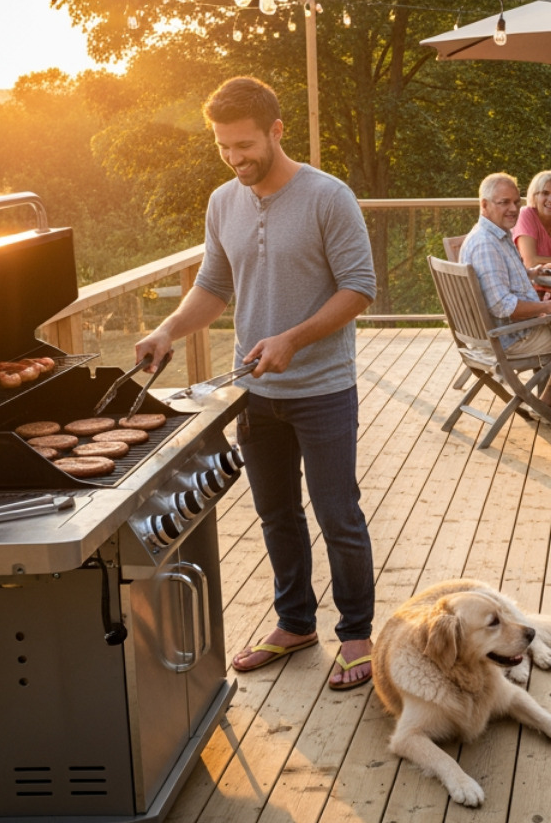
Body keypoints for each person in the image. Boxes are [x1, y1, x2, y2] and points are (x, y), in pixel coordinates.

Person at [135, 76, 379, 691]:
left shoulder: (329, 197)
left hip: (322, 389)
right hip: (256, 392)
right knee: (275, 514)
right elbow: (213, 288)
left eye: (244, 145)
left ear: (275, 130)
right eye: (223, 148)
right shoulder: (223, 202)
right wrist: (167, 330)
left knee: (337, 513)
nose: (235, 158)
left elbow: (360, 289)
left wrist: (292, 339)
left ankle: (357, 634)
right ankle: (295, 623)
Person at [459, 172, 551, 429]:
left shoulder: (494, 236)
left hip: (506, 332)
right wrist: (549, 307)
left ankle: (548, 400)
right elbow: (503, 306)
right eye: (503, 202)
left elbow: (503, 279)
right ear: (484, 204)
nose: (513, 208)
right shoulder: (486, 244)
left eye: (515, 201)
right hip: (512, 337)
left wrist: (533, 273)